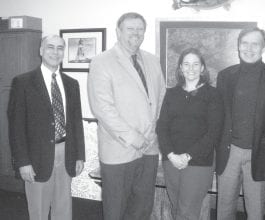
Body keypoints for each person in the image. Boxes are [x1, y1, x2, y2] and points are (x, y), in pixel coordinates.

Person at [88, 12, 166, 220]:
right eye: (130, 28)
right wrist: (135, 138)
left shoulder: (152, 61)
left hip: (150, 147)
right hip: (119, 149)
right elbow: (103, 108)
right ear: (118, 31)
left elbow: (161, 99)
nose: (136, 33)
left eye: (140, 29)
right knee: (116, 208)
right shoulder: (101, 62)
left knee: (142, 206)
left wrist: (151, 133)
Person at [216, 27, 265, 220]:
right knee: (224, 210)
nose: (249, 48)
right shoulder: (225, 76)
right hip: (228, 152)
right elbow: (218, 116)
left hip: (260, 154)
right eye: (245, 43)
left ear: (263, 48)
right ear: (238, 46)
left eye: (255, 44)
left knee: (256, 212)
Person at [8, 35, 85, 220]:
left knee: (63, 208)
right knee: (39, 210)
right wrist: (22, 162)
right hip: (36, 157)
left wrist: (80, 155)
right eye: (50, 47)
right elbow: (16, 127)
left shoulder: (72, 84)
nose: (55, 52)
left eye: (60, 48)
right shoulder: (23, 82)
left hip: (66, 152)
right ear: (40, 51)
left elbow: (76, 122)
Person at [156, 47, 223, 220]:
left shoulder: (213, 95)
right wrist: (171, 155)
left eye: (195, 64)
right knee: (177, 207)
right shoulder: (171, 94)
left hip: (198, 162)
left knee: (187, 212)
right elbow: (162, 127)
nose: (190, 68)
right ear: (180, 68)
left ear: (202, 68)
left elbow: (213, 132)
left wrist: (187, 156)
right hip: (171, 161)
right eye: (186, 64)